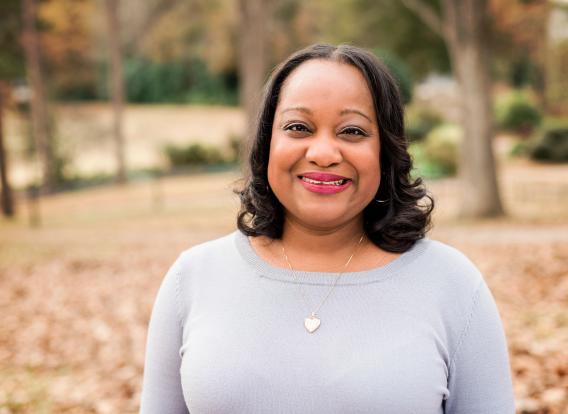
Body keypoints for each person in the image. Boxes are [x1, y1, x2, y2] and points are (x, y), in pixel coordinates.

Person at [139, 43, 515, 414]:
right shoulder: (192, 279)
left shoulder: (453, 285)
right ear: (267, 142)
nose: (322, 153)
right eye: (298, 127)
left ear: (386, 151)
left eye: (352, 131)